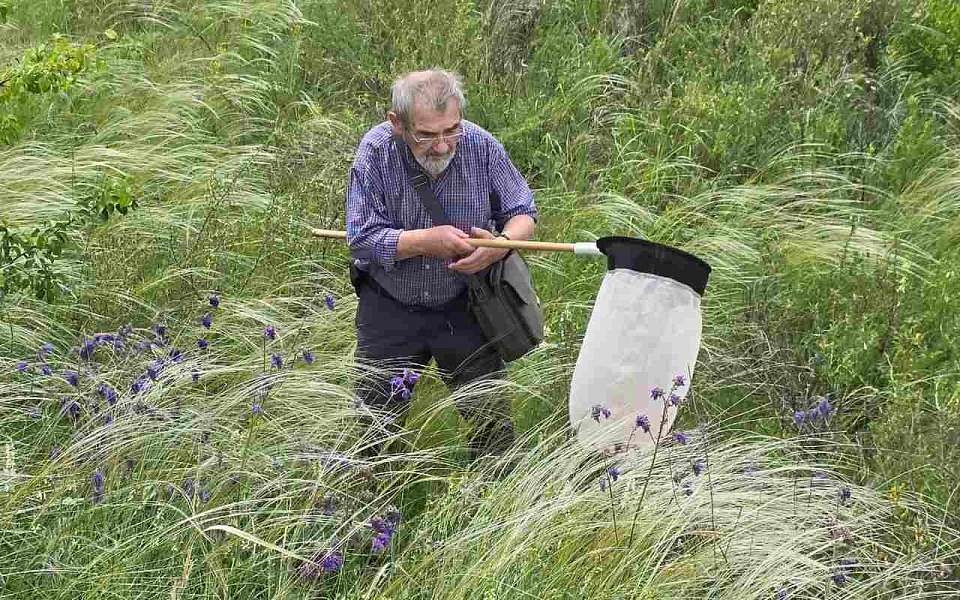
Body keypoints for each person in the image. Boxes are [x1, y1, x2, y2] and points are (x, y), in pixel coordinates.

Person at [345, 68, 538, 460]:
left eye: (451, 131)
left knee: (492, 431)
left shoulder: (481, 146)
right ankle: (374, 501)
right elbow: (361, 237)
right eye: (426, 135)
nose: (442, 146)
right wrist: (422, 243)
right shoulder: (375, 152)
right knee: (373, 431)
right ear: (396, 123)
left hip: (466, 306)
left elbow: (523, 211)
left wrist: (500, 245)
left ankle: (494, 504)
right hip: (391, 308)